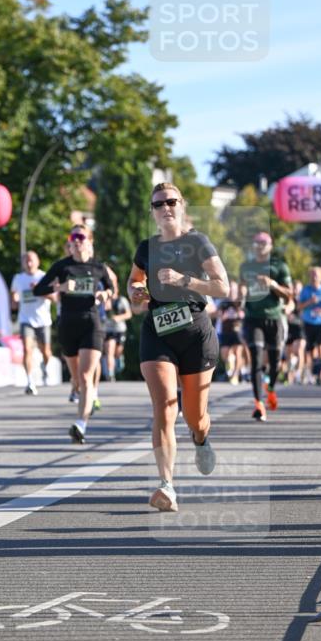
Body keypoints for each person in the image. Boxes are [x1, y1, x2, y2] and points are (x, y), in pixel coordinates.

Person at [127, 182, 229, 512]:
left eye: (171, 201)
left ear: (182, 206)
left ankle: (200, 438)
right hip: (158, 329)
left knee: (195, 416)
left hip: (195, 332)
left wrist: (184, 281)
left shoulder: (197, 242)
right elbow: (134, 280)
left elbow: (222, 287)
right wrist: (137, 292)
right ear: (153, 212)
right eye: (159, 204)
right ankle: (167, 485)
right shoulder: (146, 247)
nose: (166, 207)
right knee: (165, 406)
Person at [33, 224, 113, 443]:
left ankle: (81, 424)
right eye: (73, 237)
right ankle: (80, 395)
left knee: (87, 377)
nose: (77, 241)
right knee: (77, 379)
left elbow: (111, 289)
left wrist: (106, 293)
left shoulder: (98, 267)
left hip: (92, 323)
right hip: (68, 324)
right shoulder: (61, 266)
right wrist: (60, 288)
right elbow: (38, 290)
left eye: (81, 236)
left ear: (90, 241)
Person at [239, 232, 293, 421]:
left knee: (275, 361)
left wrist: (272, 285)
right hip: (253, 318)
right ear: (253, 246)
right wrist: (241, 297)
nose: (260, 246)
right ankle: (258, 404)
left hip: (274, 318)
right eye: (257, 243)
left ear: (270, 246)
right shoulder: (246, 266)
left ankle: (270, 389)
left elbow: (289, 295)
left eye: (264, 243)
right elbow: (242, 287)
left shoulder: (279, 266)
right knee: (255, 358)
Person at [10, 250, 54, 395]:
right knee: (27, 349)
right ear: (23, 263)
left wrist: (40, 290)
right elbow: (13, 296)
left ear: (37, 262)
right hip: (26, 319)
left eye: (31, 260)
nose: (29, 264)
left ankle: (44, 367)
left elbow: (55, 298)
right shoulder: (18, 278)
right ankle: (30, 381)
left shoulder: (44, 276)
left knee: (46, 352)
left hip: (43, 320)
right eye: (26, 261)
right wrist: (14, 301)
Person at [298, 266, 321, 386]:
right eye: (312, 274)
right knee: (312, 349)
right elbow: (299, 306)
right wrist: (309, 302)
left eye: (316, 274)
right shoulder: (306, 290)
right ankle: (315, 371)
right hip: (309, 322)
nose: (314, 277)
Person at [102, 291, 132, 381]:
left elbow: (129, 314)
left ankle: (119, 358)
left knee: (117, 352)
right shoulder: (103, 299)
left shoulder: (122, 300)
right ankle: (110, 373)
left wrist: (119, 317)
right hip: (108, 329)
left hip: (120, 329)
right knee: (109, 351)